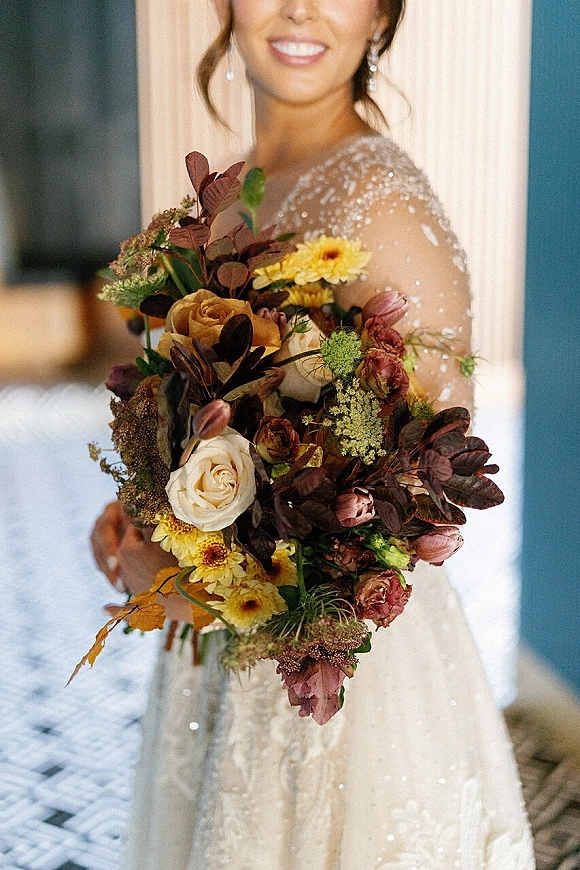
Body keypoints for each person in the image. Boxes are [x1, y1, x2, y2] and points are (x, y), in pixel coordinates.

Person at [91, 2, 535, 867]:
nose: (298, 7)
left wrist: (188, 582)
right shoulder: (237, 189)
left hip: (341, 694)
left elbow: (411, 510)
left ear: (380, 14)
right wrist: (144, 508)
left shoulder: (386, 208)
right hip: (223, 663)